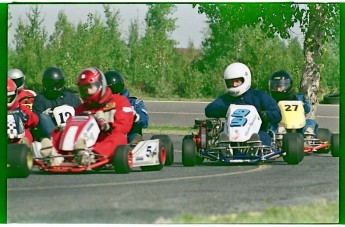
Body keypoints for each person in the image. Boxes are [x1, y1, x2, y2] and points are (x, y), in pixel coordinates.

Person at [40, 67, 134, 166]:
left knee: (118, 138)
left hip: (106, 139)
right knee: (59, 132)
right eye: (83, 89)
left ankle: (91, 155)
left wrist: (107, 127)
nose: (87, 92)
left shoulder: (119, 101)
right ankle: (54, 154)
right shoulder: (81, 108)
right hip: (82, 143)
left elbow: (124, 125)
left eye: (90, 87)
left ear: (100, 85)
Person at [205, 62, 282, 146]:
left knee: (262, 137)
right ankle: (226, 146)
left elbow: (277, 114)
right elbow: (209, 110)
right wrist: (228, 110)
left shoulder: (259, 96)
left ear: (245, 79)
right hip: (232, 134)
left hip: (257, 131)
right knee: (224, 135)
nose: (234, 84)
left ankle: (254, 145)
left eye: (237, 81)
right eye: (231, 82)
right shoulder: (226, 98)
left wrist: (265, 115)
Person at [32, 66, 82, 138]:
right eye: (50, 85)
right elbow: (37, 120)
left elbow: (81, 115)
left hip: (74, 133)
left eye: (57, 85)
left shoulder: (72, 97)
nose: (54, 88)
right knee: (43, 117)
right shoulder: (40, 99)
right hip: (51, 135)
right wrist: (48, 114)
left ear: (62, 83)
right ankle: (56, 139)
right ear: (45, 84)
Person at [104, 70, 149, 144]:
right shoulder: (101, 104)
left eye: (112, 89)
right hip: (107, 135)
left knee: (135, 136)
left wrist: (135, 117)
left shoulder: (134, 103)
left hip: (129, 137)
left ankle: (134, 145)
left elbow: (145, 122)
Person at [268, 69, 318, 135]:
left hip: (298, 124)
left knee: (310, 122)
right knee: (269, 124)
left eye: (281, 86)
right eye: (275, 86)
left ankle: (308, 133)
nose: (278, 89)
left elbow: (307, 109)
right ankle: (279, 135)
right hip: (279, 123)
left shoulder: (297, 98)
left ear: (288, 85)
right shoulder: (269, 99)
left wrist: (303, 105)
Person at [7, 78, 39, 147]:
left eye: (8, 97)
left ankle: (27, 155)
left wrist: (25, 117)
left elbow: (35, 121)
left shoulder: (20, 107)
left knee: (25, 138)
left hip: (19, 138)